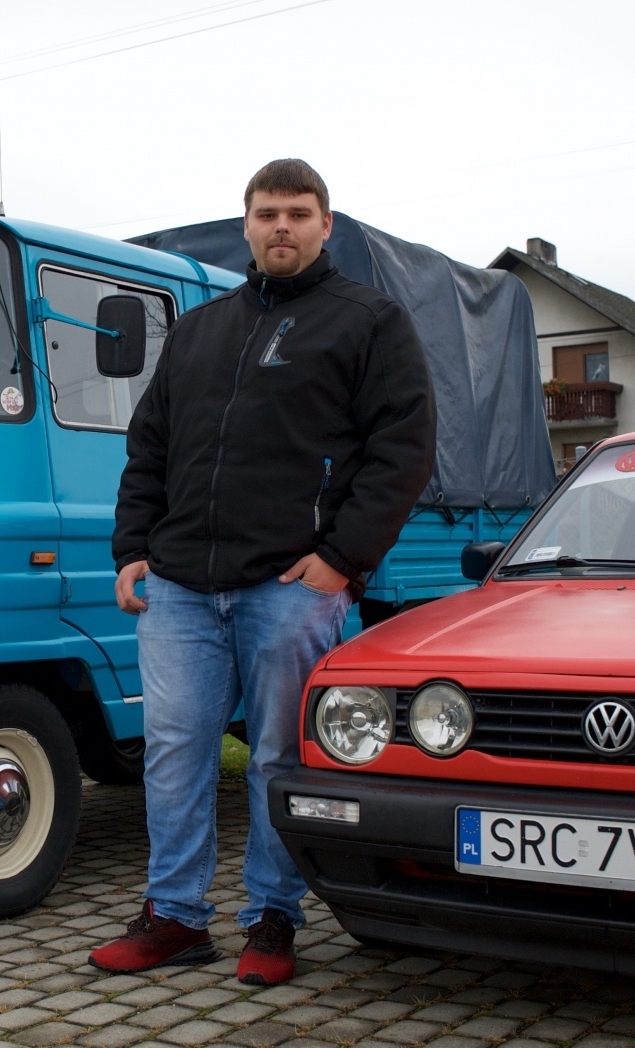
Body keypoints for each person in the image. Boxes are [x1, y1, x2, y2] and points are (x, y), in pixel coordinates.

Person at [89, 159, 435, 986]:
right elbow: (150, 448)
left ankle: (272, 917)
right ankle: (174, 915)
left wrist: (344, 558)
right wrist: (132, 546)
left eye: (299, 212)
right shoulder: (202, 331)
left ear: (325, 224)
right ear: (246, 224)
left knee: (280, 753)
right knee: (174, 752)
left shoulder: (369, 322)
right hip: (178, 587)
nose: (282, 225)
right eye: (267, 212)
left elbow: (404, 448)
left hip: (287, 586)